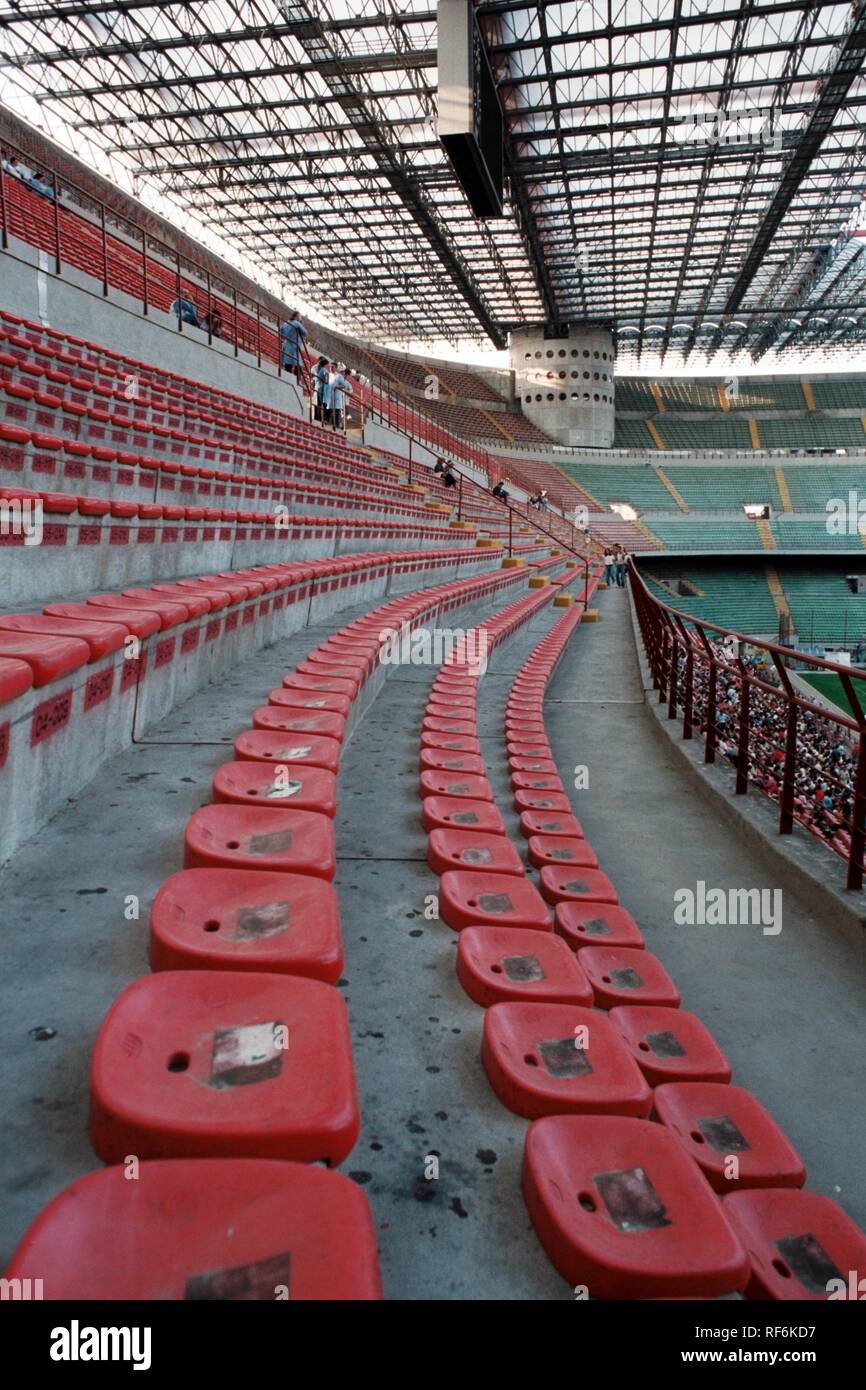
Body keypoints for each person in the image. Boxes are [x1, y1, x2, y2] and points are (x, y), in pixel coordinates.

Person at [279, 310, 308, 384]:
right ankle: (296, 382)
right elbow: (305, 333)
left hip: (286, 346)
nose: (301, 318)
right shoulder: (297, 323)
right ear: (296, 316)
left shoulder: (285, 323)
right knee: (298, 365)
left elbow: (280, 333)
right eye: (300, 316)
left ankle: (286, 380)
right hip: (294, 347)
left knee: (287, 365)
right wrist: (302, 325)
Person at [330, 362, 352, 432]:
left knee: (345, 413)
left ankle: (342, 424)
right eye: (345, 373)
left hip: (345, 400)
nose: (346, 375)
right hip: (338, 398)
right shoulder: (339, 378)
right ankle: (338, 423)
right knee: (338, 411)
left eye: (347, 374)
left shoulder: (348, 384)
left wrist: (348, 392)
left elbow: (351, 391)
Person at [313, 355, 329, 422]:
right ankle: (324, 419)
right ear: (325, 364)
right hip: (322, 388)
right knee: (324, 404)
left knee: (318, 403)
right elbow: (327, 377)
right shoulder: (324, 369)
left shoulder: (317, 368)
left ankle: (317, 418)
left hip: (317, 387)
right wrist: (326, 381)